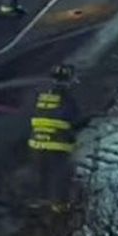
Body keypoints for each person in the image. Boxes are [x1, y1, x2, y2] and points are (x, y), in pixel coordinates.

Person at [27, 64, 83, 212]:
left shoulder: (40, 94)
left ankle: (38, 199)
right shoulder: (66, 98)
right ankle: (60, 205)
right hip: (58, 143)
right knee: (59, 174)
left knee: (40, 171)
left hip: (37, 142)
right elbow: (74, 119)